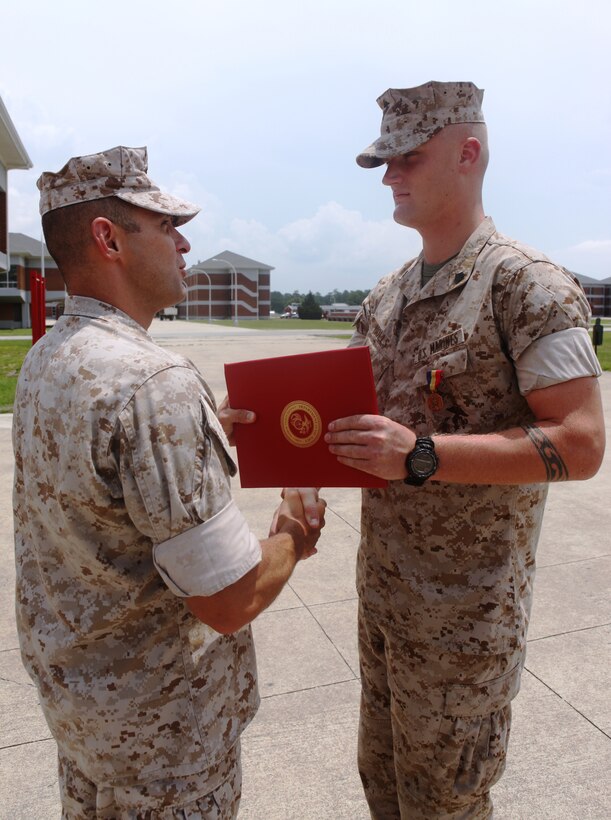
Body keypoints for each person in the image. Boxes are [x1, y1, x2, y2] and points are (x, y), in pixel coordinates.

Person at [12, 145, 326, 819]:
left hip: (87, 720)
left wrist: (194, 437)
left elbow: (96, 499)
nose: (184, 242)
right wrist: (292, 537)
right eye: (164, 225)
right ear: (108, 239)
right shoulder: (153, 382)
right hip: (165, 747)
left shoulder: (46, 360)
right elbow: (228, 599)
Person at [322, 82, 605, 818]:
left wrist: (420, 454)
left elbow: (579, 444)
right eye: (382, 162)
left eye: (407, 157)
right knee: (384, 793)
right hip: (384, 603)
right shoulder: (384, 297)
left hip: (464, 622)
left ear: (468, 153)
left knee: (445, 805)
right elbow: (337, 414)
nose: (389, 176)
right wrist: (265, 429)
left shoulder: (529, 287)